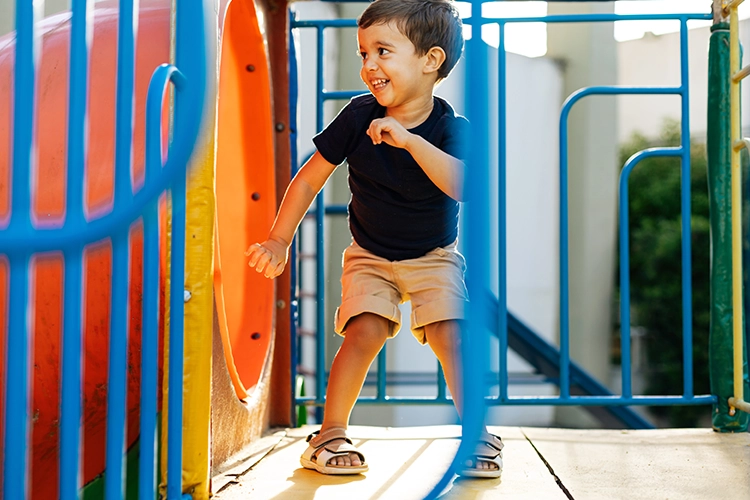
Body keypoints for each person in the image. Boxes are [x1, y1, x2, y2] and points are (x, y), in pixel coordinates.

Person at [245, 0, 503, 478]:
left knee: (452, 332)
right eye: (364, 53)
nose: (368, 66)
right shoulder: (357, 117)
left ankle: (475, 435)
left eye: (382, 51)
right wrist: (279, 240)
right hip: (370, 254)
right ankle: (329, 433)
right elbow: (308, 179)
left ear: (431, 61)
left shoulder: (449, 129)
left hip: (434, 256)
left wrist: (409, 141)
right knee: (364, 330)